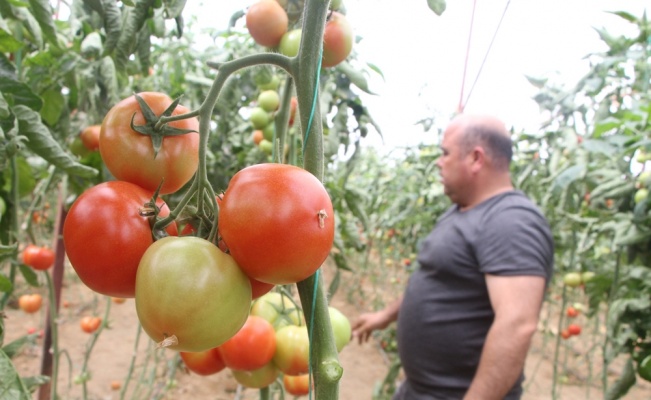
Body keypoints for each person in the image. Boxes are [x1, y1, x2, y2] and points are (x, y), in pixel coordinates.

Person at [351, 113, 554, 400]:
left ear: (476, 158)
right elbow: (436, 279)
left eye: (445, 153)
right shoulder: (461, 212)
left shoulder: (511, 221)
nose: (438, 161)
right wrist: (385, 316)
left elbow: (517, 324)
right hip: (419, 390)